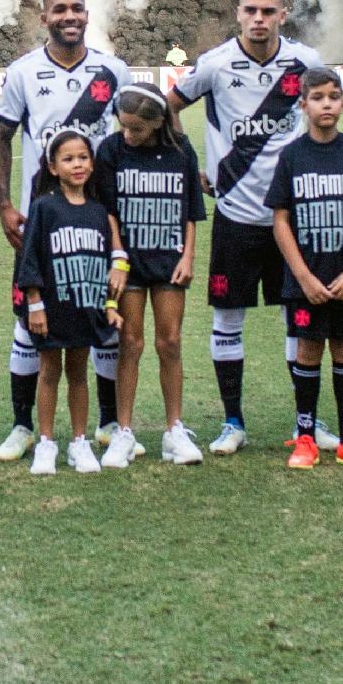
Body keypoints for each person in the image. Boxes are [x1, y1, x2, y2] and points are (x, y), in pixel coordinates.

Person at [166, 0, 328, 455]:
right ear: (237, 13)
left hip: (292, 218)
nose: (259, 20)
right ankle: (232, 422)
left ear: (283, 13)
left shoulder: (306, 63)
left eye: (268, 11)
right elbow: (169, 106)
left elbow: (325, 110)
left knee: (298, 320)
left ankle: (307, 424)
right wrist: (190, 161)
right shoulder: (216, 64)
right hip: (234, 215)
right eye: (250, 11)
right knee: (227, 319)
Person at [0, 0, 130, 462]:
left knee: (102, 317)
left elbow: (139, 132)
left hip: (96, 220)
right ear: (44, 17)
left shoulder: (112, 71)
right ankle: (23, 425)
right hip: (40, 224)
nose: (69, 16)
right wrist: (5, 205)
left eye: (77, 9)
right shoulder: (24, 72)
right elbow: (0, 137)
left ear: (87, 15)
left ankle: (109, 422)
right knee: (30, 322)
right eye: (59, 10)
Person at [266, 68, 343, 471]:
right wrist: (302, 275)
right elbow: (280, 220)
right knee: (308, 349)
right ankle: (305, 438)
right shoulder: (292, 156)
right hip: (307, 280)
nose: (327, 103)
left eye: (334, 96)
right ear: (304, 105)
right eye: (317, 97)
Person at [93, 83, 207, 466]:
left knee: (170, 342)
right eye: (123, 126)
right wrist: (118, 256)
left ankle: (174, 429)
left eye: (137, 129)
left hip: (169, 259)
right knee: (130, 342)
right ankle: (123, 432)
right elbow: (107, 209)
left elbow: (192, 209)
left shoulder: (180, 151)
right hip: (129, 263)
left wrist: (188, 256)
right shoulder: (111, 150)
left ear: (158, 123)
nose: (128, 134)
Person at [15, 130, 123, 475]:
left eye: (83, 158)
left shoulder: (98, 213)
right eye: (68, 159)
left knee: (78, 373)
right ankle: (46, 443)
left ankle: (79, 442)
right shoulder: (44, 207)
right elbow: (29, 258)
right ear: (52, 166)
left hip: (85, 305)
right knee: (49, 372)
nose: (77, 164)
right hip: (52, 307)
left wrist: (109, 306)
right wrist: (35, 303)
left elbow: (106, 262)